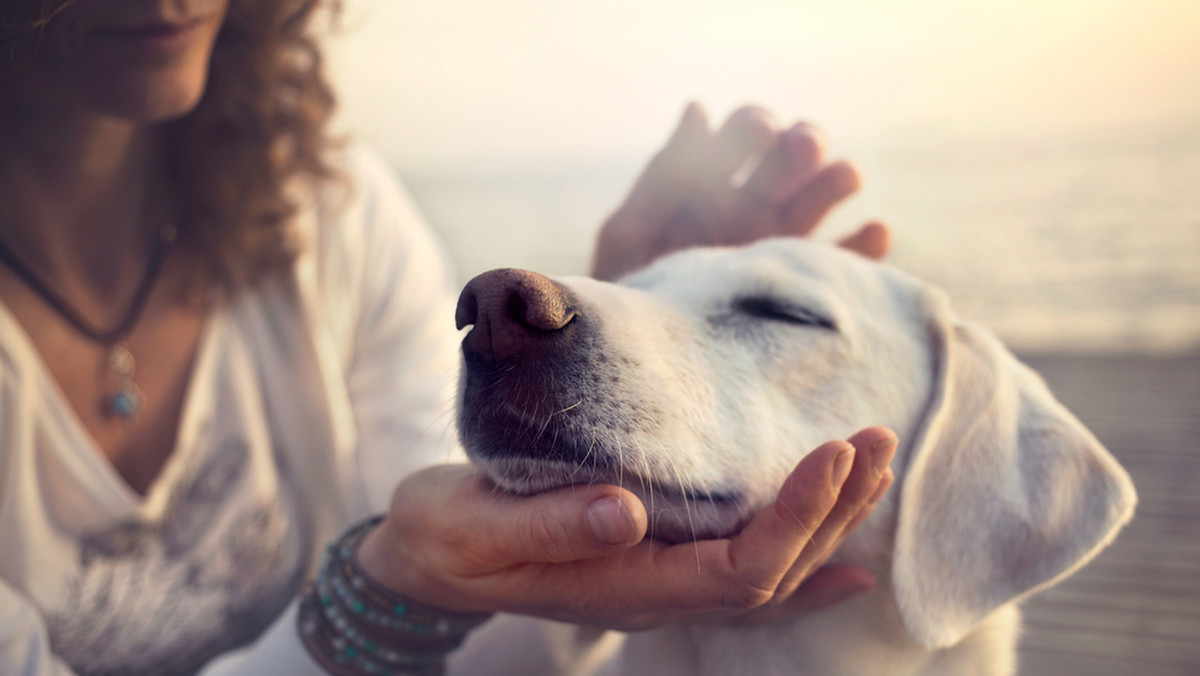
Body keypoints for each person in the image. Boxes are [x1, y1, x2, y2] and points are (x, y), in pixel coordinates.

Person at [0, 1, 896, 674]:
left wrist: (639, 346)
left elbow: (493, 649)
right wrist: (383, 590)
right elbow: (431, 578)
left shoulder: (321, 210)